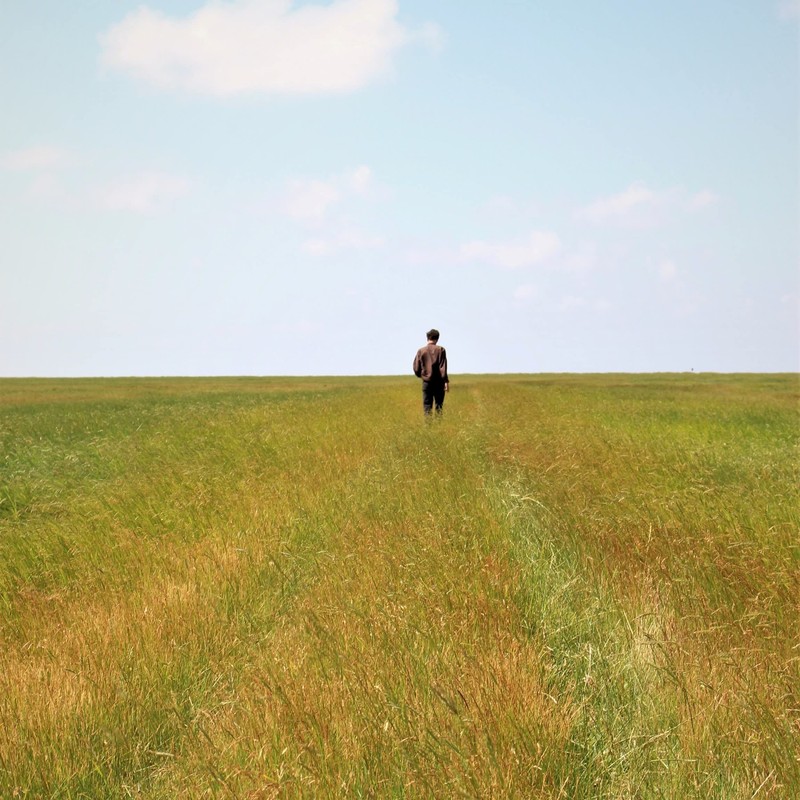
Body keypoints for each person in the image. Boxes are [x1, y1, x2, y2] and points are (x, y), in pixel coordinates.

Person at [413, 329, 449, 415]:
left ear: (427, 338)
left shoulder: (421, 351)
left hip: (427, 383)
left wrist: (422, 376)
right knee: (439, 406)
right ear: (437, 338)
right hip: (439, 383)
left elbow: (416, 368)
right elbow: (443, 367)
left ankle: (428, 427)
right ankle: (438, 426)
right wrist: (446, 381)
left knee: (427, 407)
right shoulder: (441, 350)